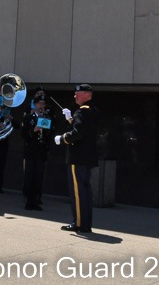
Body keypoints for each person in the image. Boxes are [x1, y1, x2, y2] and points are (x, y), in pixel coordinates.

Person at [54, 84, 99, 233]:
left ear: (87, 95)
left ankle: (79, 223)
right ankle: (85, 223)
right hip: (87, 156)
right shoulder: (93, 110)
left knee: (78, 192)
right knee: (85, 190)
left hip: (78, 157)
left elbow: (78, 134)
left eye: (78, 94)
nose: (75, 96)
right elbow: (85, 130)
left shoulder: (82, 111)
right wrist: (70, 120)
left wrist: (62, 138)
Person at [22, 90, 54, 210]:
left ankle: (36, 200)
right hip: (30, 151)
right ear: (35, 105)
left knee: (39, 177)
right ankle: (28, 201)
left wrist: (46, 129)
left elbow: (50, 134)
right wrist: (33, 130)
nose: (41, 106)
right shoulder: (28, 118)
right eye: (39, 104)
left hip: (41, 150)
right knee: (29, 176)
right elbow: (23, 134)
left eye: (43, 104)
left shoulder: (47, 117)